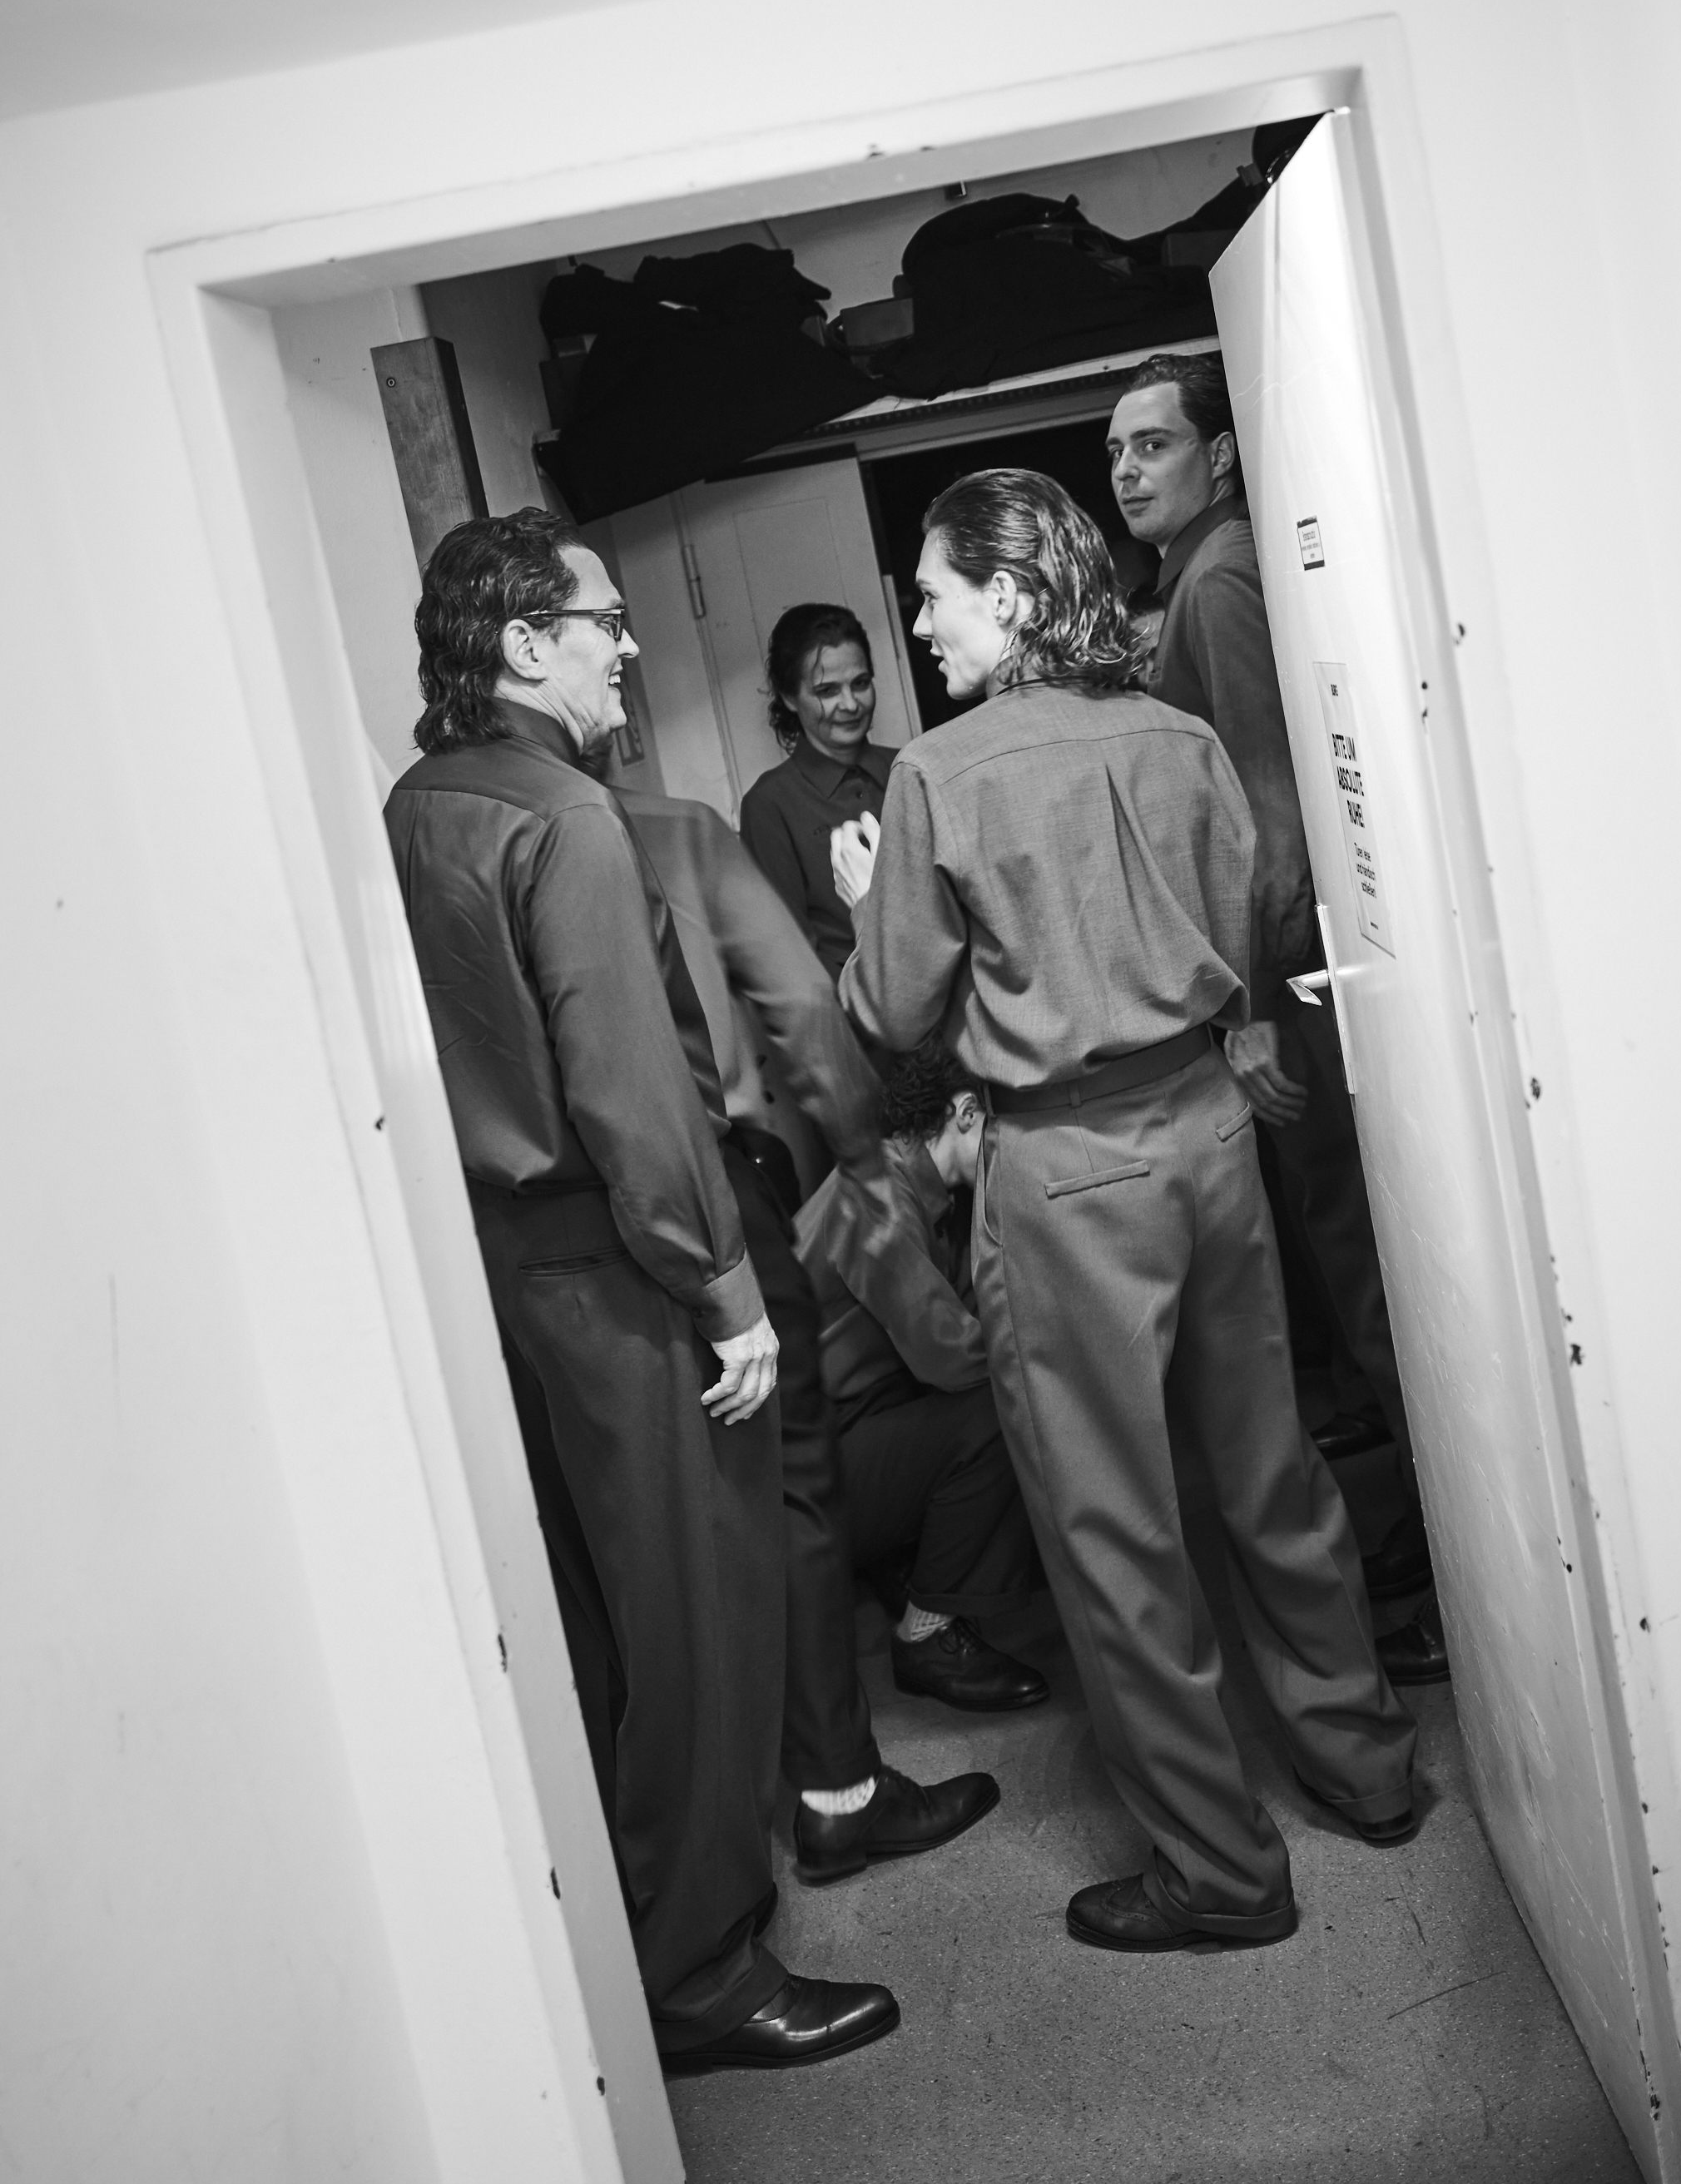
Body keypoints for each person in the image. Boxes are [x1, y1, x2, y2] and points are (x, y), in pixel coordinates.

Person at [832, 468, 1419, 1954]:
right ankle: (1368, 1768)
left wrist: (862, 910)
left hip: (1067, 1168)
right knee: (1269, 1469)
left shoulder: (936, 776)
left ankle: (1221, 1870)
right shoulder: (1180, 736)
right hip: (1209, 1137)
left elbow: (893, 1012)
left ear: (1009, 594)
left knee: (1115, 1531)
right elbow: (1242, 919)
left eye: (933, 593)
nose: (920, 622)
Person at [384, 508, 894, 2073]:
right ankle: (704, 1974)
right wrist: (728, 1287)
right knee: (696, 1623)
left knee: (610, 1624)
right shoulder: (569, 817)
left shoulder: (422, 799)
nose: (627, 648)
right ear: (525, 642)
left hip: (511, 1264)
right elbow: (630, 1092)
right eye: (604, 622)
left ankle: (650, 1931)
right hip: (620, 1266)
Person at [1108, 354, 1448, 1687]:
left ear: (1216, 454)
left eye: (1152, 443)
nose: (1126, 468)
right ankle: (1426, 1535)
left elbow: (1269, 812)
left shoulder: (1219, 579)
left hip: (1291, 989)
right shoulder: (1192, 575)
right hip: (1284, 982)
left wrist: (1249, 1015)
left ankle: (1454, 1574)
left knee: (1364, 1275)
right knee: (1343, 1271)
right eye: (1115, 449)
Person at [607, 772, 1004, 1885]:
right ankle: (908, 1665)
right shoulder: (675, 833)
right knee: (932, 1436)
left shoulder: (437, 823)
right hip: (730, 1223)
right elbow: (804, 1015)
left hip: (601, 1252)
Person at [795, 1036, 1048, 1716]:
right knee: (1002, 1410)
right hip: (801, 1471)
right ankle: (926, 1636)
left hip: (844, 1425)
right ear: (966, 1113)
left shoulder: (921, 1189)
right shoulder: (876, 1196)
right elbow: (948, 1355)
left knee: (1002, 1391)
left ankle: (922, 1570)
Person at [740, 602, 895, 975]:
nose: (850, 704)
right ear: (789, 697)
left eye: (860, 683)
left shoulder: (908, 767)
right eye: (827, 691)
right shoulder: (770, 804)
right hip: (847, 998)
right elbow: (789, 952)